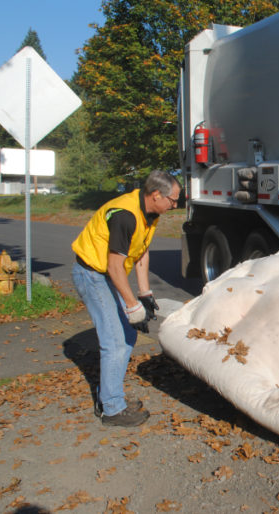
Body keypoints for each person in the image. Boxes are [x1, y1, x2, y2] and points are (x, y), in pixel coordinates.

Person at [71, 170, 181, 426]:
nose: (175, 205)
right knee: (115, 343)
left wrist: (145, 294)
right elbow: (115, 267)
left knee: (129, 335)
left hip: (105, 275)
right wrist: (132, 306)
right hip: (92, 274)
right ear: (156, 195)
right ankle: (111, 409)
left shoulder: (150, 213)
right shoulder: (125, 216)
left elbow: (141, 253)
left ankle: (111, 396)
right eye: (172, 200)